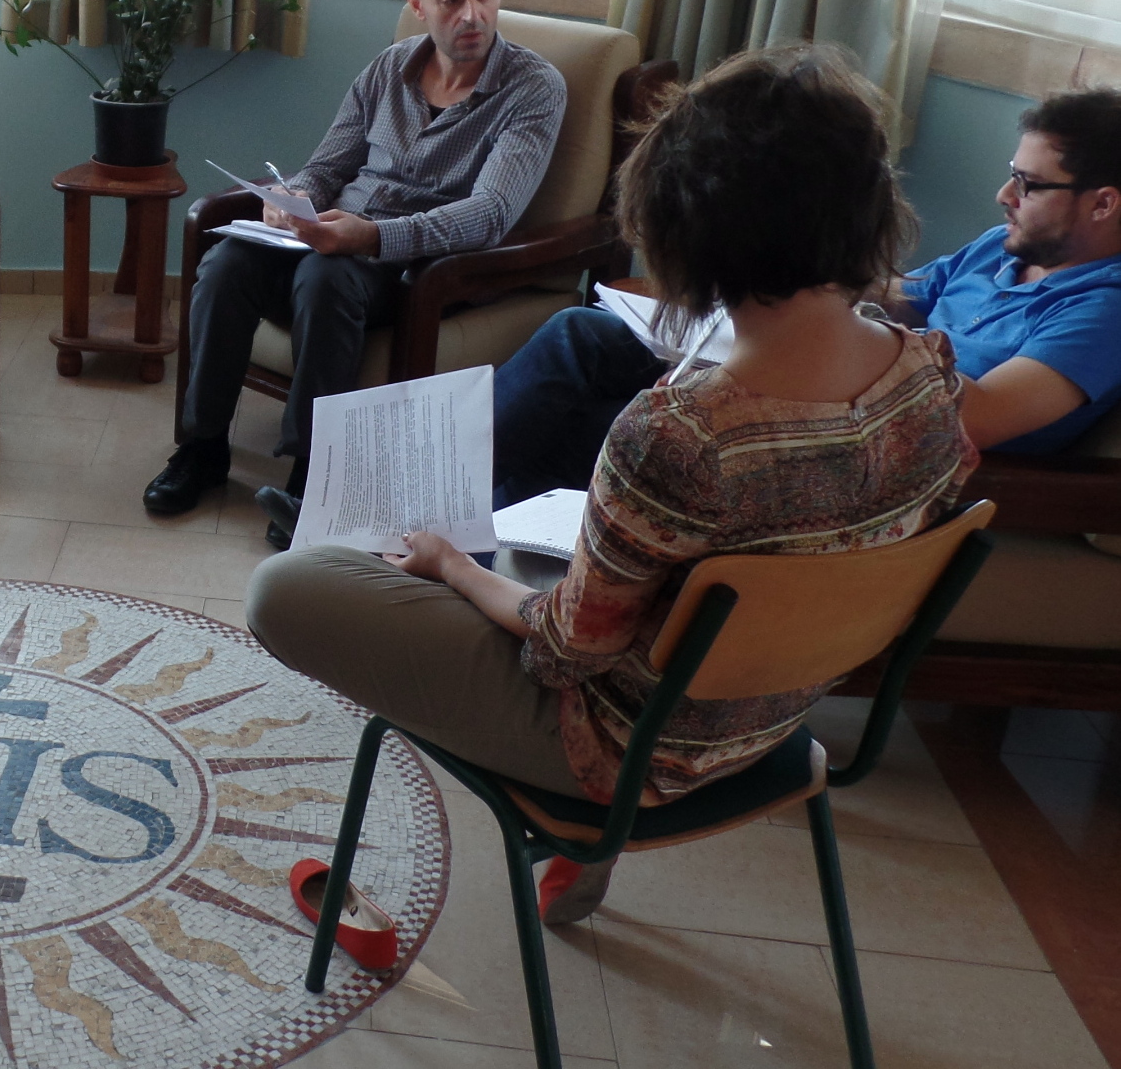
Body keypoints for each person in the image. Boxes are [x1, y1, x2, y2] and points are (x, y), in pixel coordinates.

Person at [246, 47, 977, 926]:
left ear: (689, 228)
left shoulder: (681, 432)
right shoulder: (931, 382)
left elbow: (562, 653)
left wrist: (451, 568)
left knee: (285, 585)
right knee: (565, 459)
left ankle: (435, 548)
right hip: (776, 714)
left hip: (623, 750)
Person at [490, 85, 1121, 512]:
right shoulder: (1006, 247)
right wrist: (786, 260)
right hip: (822, 375)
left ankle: (474, 549)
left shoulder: (1103, 311)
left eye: (1028, 184)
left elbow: (973, 416)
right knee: (583, 335)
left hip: (865, 442)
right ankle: (454, 515)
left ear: (1103, 201)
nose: (1003, 197)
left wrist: (824, 334)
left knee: (614, 428)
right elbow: (904, 296)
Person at [144, 0, 567, 533]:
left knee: (326, 278)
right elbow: (327, 167)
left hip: (421, 267)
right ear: (418, 6)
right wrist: (295, 199)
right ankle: (202, 448)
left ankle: (315, 477)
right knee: (227, 261)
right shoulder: (389, 68)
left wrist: (370, 236)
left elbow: (491, 213)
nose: (472, 14)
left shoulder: (533, 88)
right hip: (334, 236)